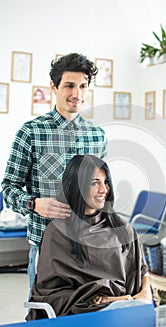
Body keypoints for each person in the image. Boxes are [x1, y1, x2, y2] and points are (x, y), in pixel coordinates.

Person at [1, 53, 107, 291]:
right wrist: (34, 204)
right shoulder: (31, 132)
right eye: (69, 85)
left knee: (84, 317)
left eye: (82, 86)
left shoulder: (97, 136)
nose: (76, 94)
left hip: (88, 245)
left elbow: (100, 189)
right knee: (42, 317)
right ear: (54, 87)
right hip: (46, 246)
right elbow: (8, 187)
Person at [26, 155, 152, 319]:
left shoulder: (123, 229)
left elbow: (142, 271)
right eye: (95, 183)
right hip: (86, 317)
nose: (104, 190)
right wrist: (102, 301)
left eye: (106, 182)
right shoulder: (58, 232)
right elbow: (52, 293)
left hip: (129, 311)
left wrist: (145, 293)